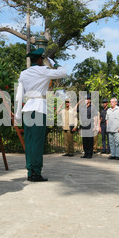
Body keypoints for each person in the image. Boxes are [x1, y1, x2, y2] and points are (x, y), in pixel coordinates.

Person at [14, 48, 67, 181]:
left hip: (27, 110)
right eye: (42, 59)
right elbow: (63, 72)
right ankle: (36, 173)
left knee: (30, 142)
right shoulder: (44, 71)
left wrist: (17, 115)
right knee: (37, 143)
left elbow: (18, 95)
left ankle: (29, 171)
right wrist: (53, 63)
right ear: (38, 59)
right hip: (39, 108)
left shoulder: (23, 74)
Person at [78, 95, 98, 159]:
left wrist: (95, 126)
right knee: (84, 140)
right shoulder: (82, 107)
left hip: (90, 125)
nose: (86, 100)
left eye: (87, 99)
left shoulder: (93, 107)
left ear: (90, 100)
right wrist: (79, 102)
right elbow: (74, 109)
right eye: (85, 99)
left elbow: (96, 116)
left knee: (90, 140)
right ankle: (86, 153)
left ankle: (90, 154)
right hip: (83, 125)